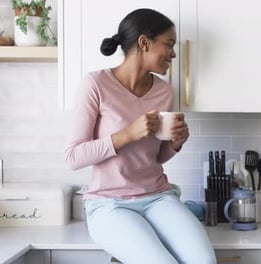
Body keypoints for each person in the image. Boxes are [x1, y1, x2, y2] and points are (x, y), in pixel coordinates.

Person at [65, 8, 216, 264]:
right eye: (168, 44)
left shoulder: (164, 91)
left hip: (158, 197)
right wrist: (127, 134)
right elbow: (73, 157)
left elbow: (155, 158)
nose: (174, 53)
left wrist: (175, 144)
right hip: (109, 204)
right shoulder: (95, 84)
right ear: (144, 43)